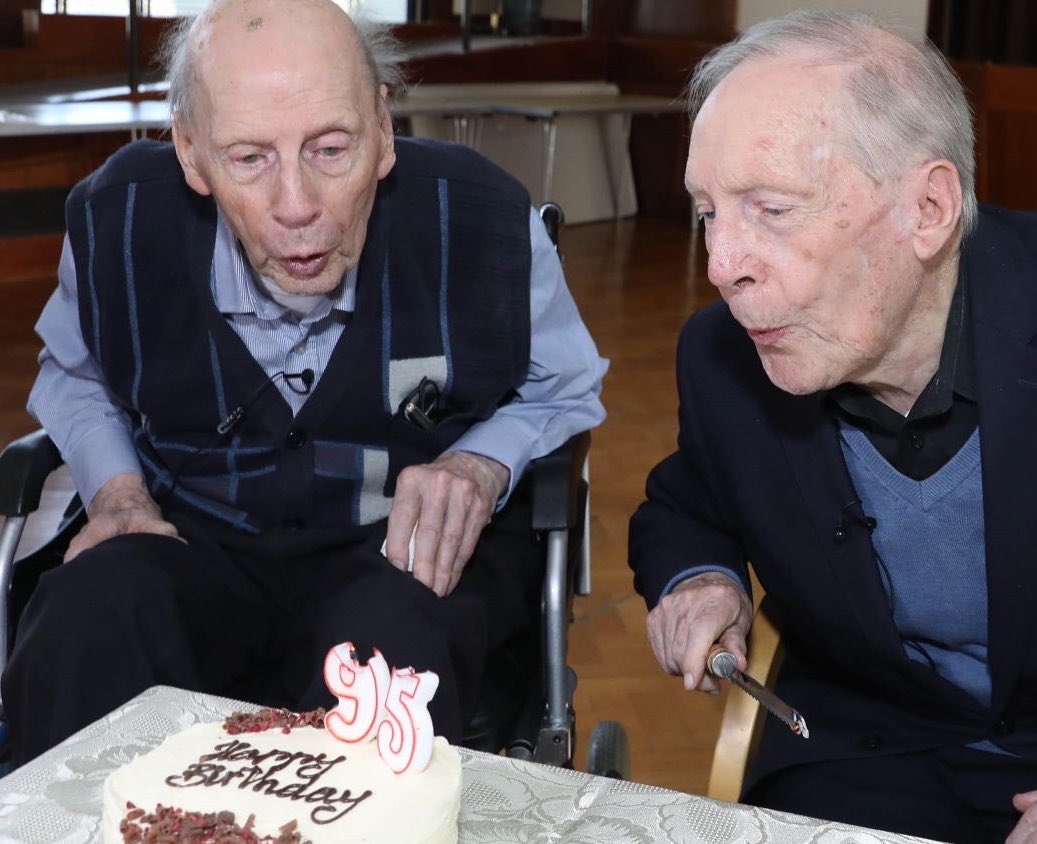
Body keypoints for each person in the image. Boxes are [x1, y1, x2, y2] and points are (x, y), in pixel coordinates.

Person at [1, 0, 606, 767]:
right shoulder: (115, 223)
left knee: (392, 662)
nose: (298, 206)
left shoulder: (481, 222)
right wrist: (118, 493)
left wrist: (478, 464)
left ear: (384, 131)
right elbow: (76, 373)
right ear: (189, 153)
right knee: (87, 613)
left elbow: (563, 385)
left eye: (329, 148)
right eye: (249, 158)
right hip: (192, 540)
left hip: (394, 551)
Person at [628, 10, 1037, 844]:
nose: (720, 265)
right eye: (708, 211)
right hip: (862, 752)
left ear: (925, 208)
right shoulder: (721, 356)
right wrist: (700, 580)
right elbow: (686, 501)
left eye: (770, 209)